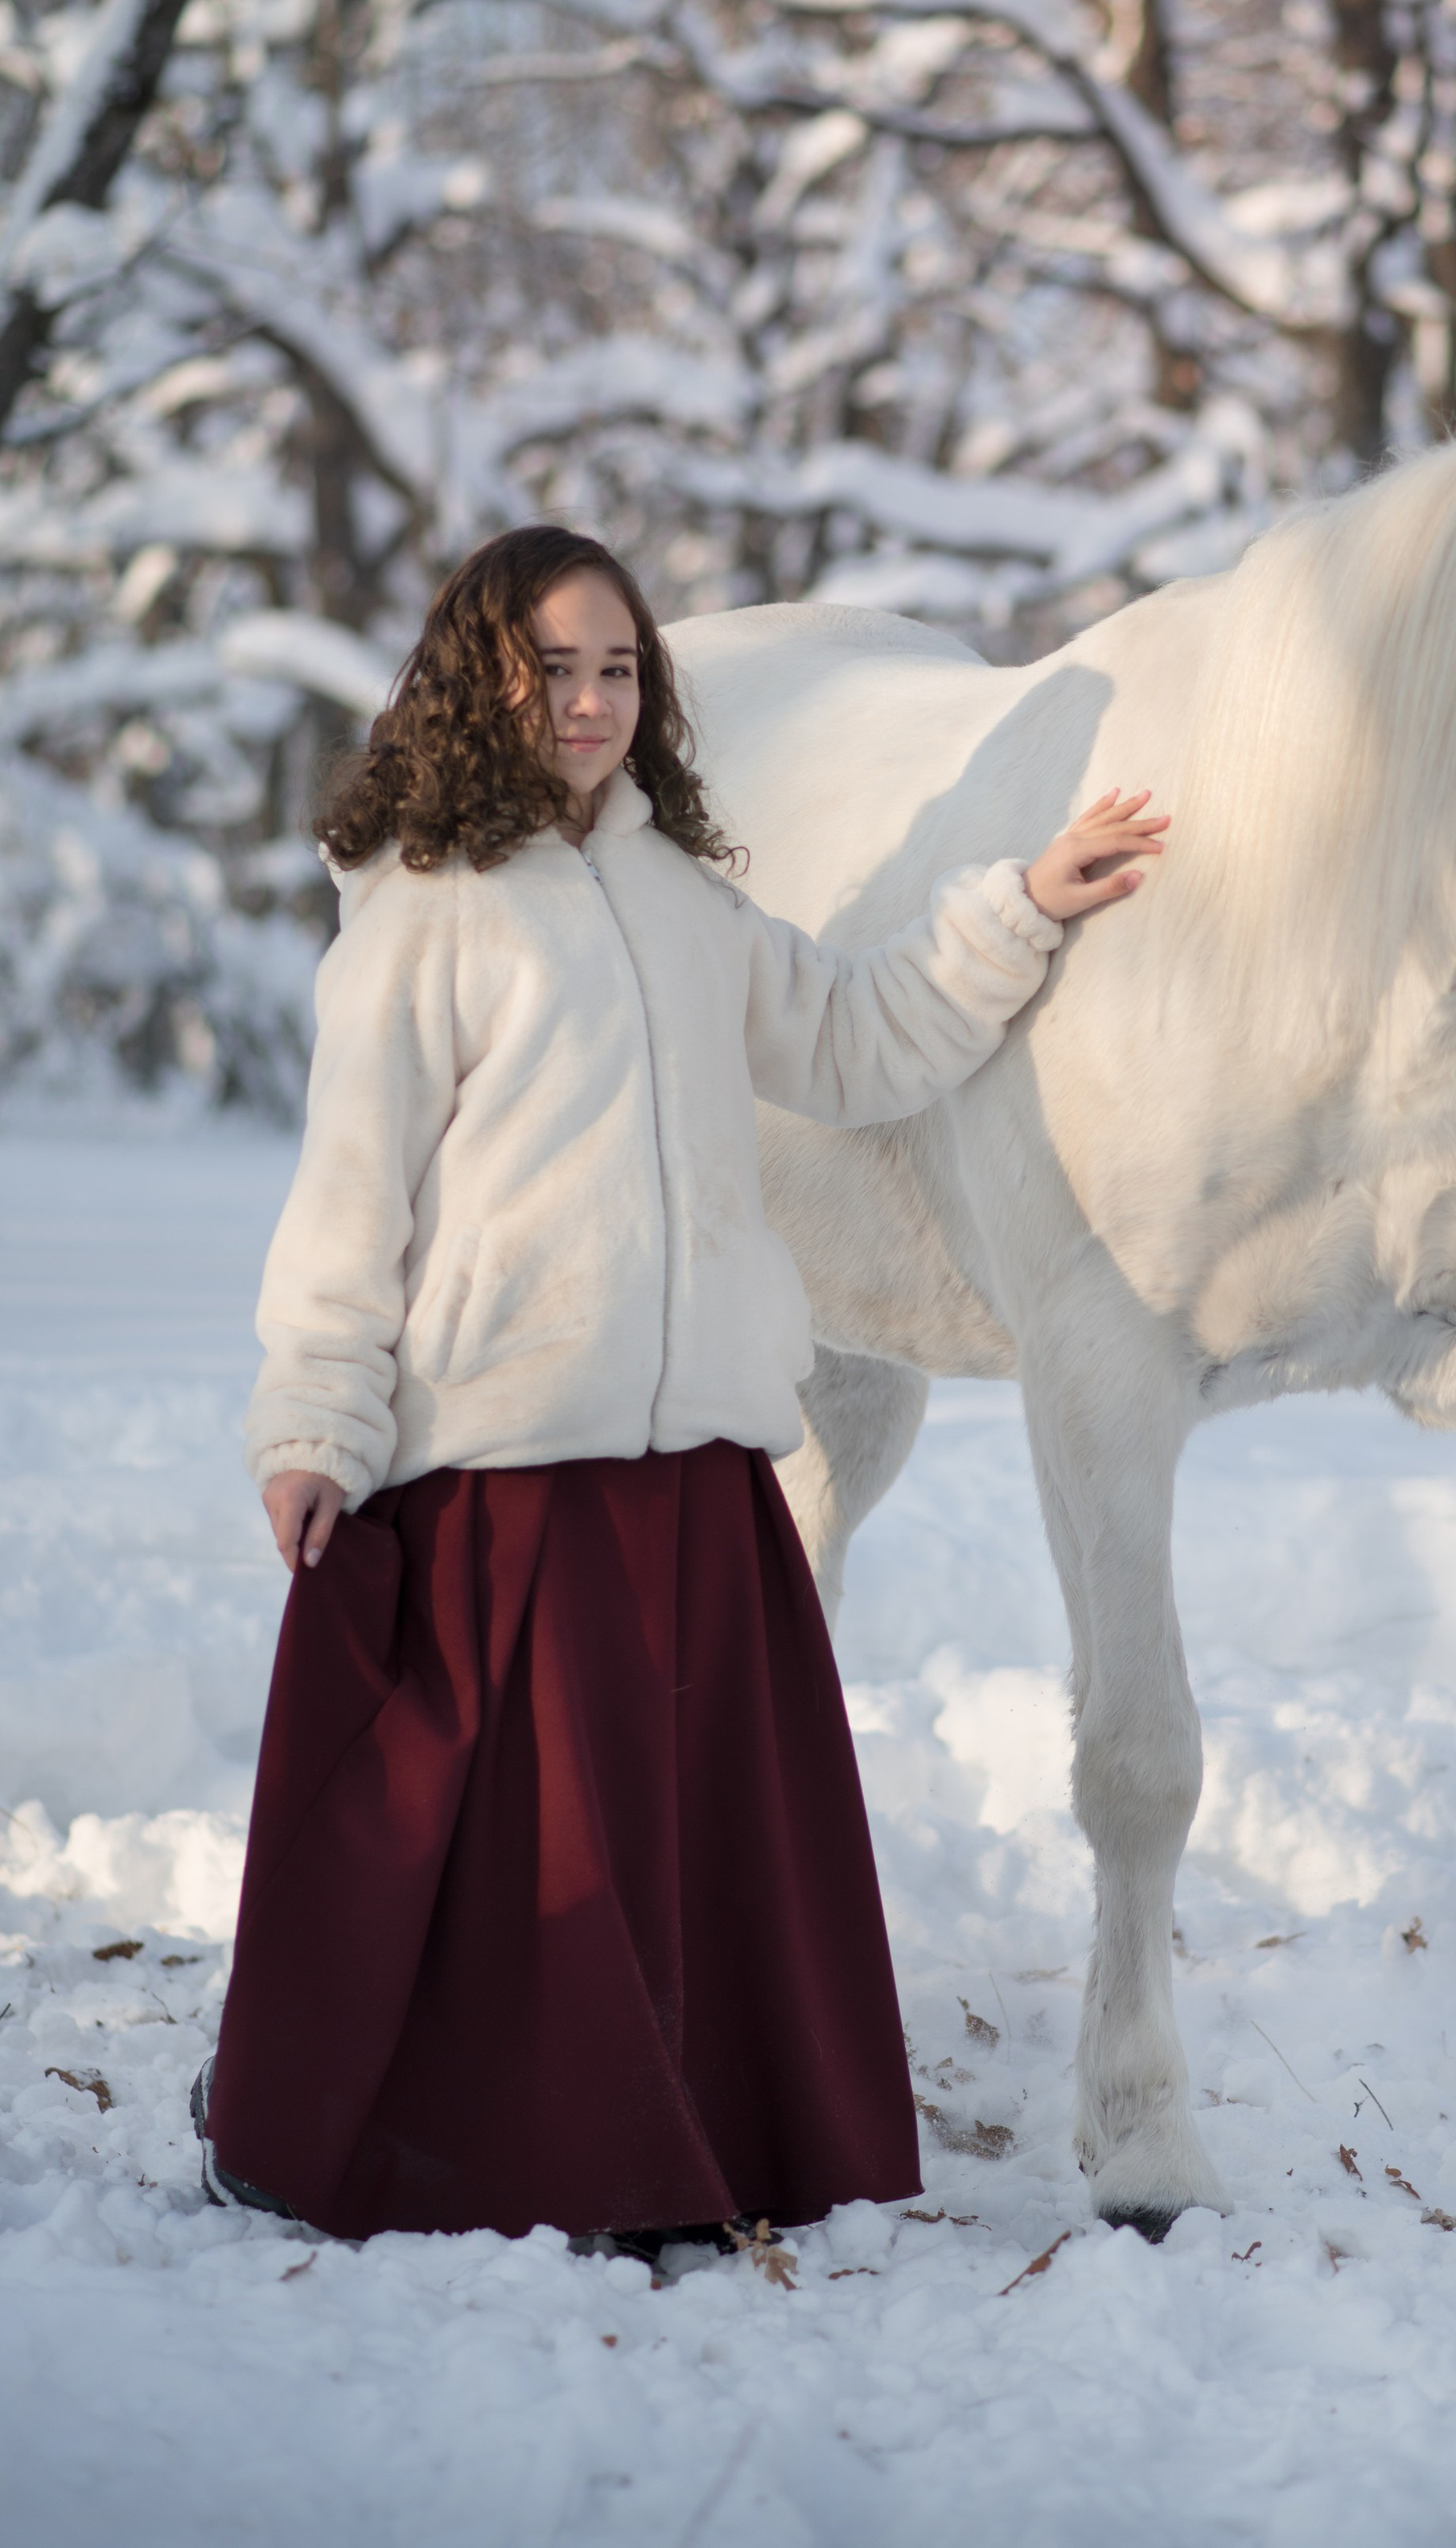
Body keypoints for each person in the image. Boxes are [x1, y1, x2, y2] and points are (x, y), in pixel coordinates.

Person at [192, 522, 1163, 2249]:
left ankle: (710, 2145)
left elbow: (857, 1039)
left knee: (701, 1863)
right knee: (523, 1874)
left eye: (618, 668)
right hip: (508, 1474)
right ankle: (456, 2152)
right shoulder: (425, 910)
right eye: (552, 668)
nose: (589, 702)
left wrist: (1021, 904)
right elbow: (350, 1201)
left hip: (698, 1467)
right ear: (481, 681)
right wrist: (315, 1420)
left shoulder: (683, 900)